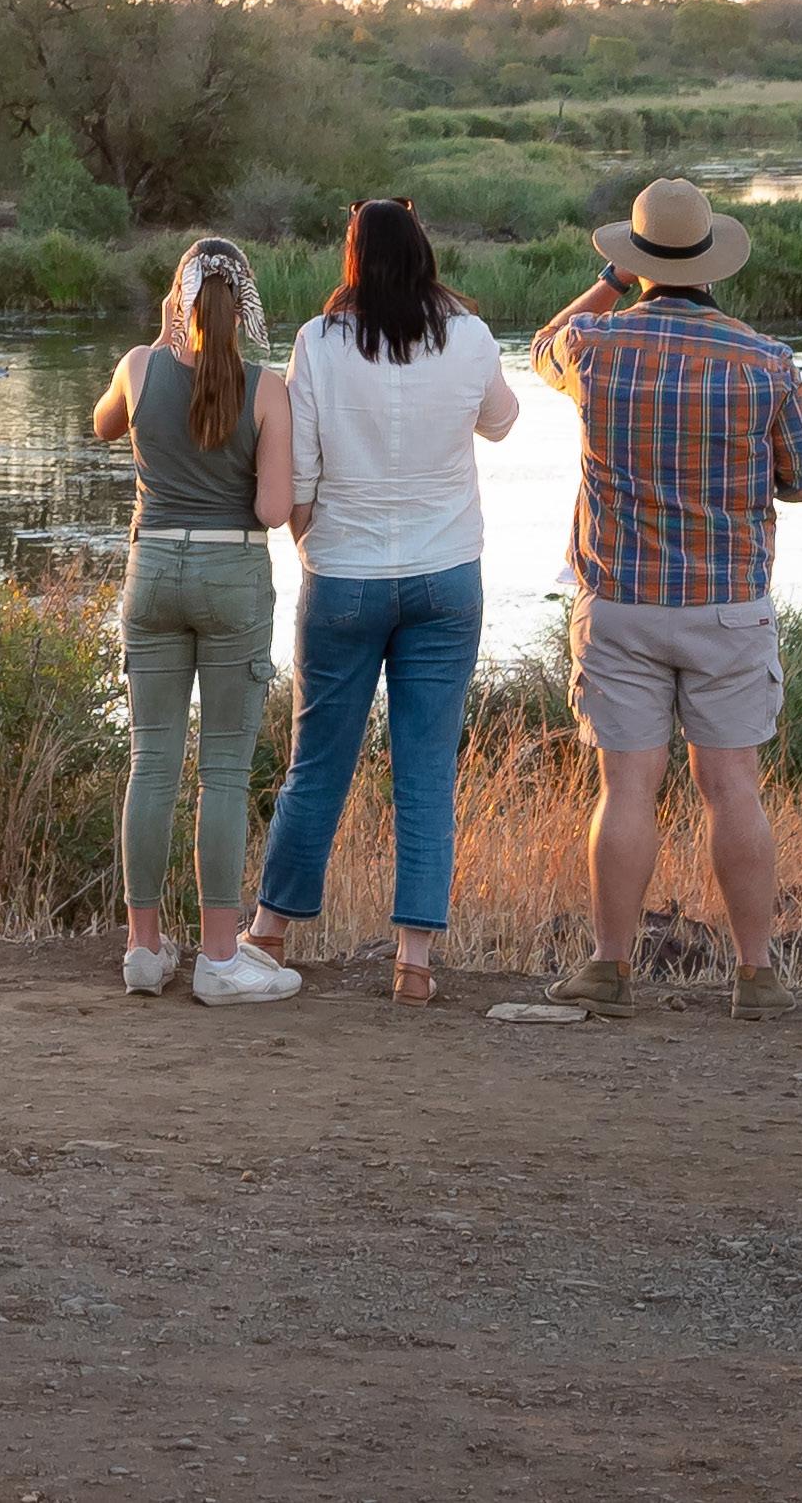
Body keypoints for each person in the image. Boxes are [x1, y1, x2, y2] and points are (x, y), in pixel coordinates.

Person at [524, 177, 802, 1020]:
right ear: (711, 262)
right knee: (733, 787)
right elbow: (799, 477)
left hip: (620, 602)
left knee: (625, 788)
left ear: (634, 259)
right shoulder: (764, 360)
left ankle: (609, 969)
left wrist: (607, 282)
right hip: (726, 606)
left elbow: (538, 345)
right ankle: (755, 977)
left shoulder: (593, 345)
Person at [243, 199, 519, 1005]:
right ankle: (413, 964)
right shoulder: (468, 335)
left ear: (353, 258)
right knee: (426, 770)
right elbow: (502, 423)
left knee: (316, 762)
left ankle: (266, 933)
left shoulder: (318, 341)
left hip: (343, 574)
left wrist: (311, 546)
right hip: (446, 574)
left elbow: (297, 473)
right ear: (423, 251)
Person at [91, 236, 300, 1005]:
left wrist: (160, 337)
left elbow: (103, 424)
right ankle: (218, 958)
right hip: (230, 575)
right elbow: (272, 509)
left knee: (151, 762)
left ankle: (143, 949)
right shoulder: (266, 388)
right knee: (222, 772)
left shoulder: (138, 366)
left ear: (178, 300)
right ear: (243, 306)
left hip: (151, 570)